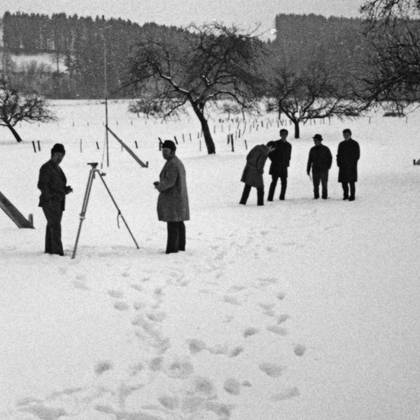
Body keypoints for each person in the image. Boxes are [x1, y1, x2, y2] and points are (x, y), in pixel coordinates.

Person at [154, 140, 190, 254]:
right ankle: (180, 247)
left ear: (172, 151)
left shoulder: (173, 164)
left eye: (166, 151)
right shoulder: (175, 162)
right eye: (162, 151)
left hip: (174, 199)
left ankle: (172, 250)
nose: (164, 153)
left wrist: (159, 186)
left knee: (173, 224)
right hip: (177, 198)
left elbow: (170, 181)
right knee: (178, 222)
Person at [37, 143, 72, 255]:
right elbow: (42, 185)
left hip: (58, 201)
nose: (59, 158)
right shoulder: (46, 167)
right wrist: (50, 199)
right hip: (50, 202)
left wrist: (65, 190)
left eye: (61, 155)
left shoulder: (58, 168)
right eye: (57, 155)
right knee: (55, 226)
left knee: (52, 225)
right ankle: (57, 252)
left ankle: (50, 250)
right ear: (52, 154)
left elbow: (56, 185)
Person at [240, 142, 276, 206]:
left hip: (248, 168)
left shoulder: (257, 147)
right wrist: (261, 171)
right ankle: (260, 204)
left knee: (247, 186)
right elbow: (260, 164)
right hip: (256, 172)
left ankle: (242, 202)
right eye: (272, 149)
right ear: (270, 147)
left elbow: (248, 156)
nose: (271, 151)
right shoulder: (265, 152)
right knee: (260, 188)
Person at [267, 128, 292, 201]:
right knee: (274, 182)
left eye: (285, 134)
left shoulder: (289, 145)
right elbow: (269, 153)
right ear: (280, 135)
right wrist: (274, 161)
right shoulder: (275, 143)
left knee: (284, 182)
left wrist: (287, 163)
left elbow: (289, 155)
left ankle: (282, 197)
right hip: (275, 166)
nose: (284, 136)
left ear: (287, 135)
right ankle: (270, 197)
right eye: (282, 134)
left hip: (284, 167)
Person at [337, 128, 360, 201]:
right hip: (343, 166)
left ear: (350, 135)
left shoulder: (355, 144)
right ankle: (345, 195)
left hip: (351, 166)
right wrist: (338, 163)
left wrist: (352, 163)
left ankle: (352, 195)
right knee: (344, 182)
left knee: (351, 182)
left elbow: (357, 155)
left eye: (347, 134)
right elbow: (338, 155)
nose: (345, 136)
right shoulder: (341, 144)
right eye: (344, 135)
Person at [306, 134, 332, 199]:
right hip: (315, 169)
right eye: (314, 140)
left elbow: (330, 158)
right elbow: (310, 160)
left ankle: (324, 196)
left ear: (320, 141)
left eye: (316, 140)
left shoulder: (326, 149)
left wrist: (328, 167)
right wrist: (308, 169)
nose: (315, 141)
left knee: (324, 184)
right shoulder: (312, 149)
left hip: (324, 170)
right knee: (315, 185)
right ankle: (316, 196)